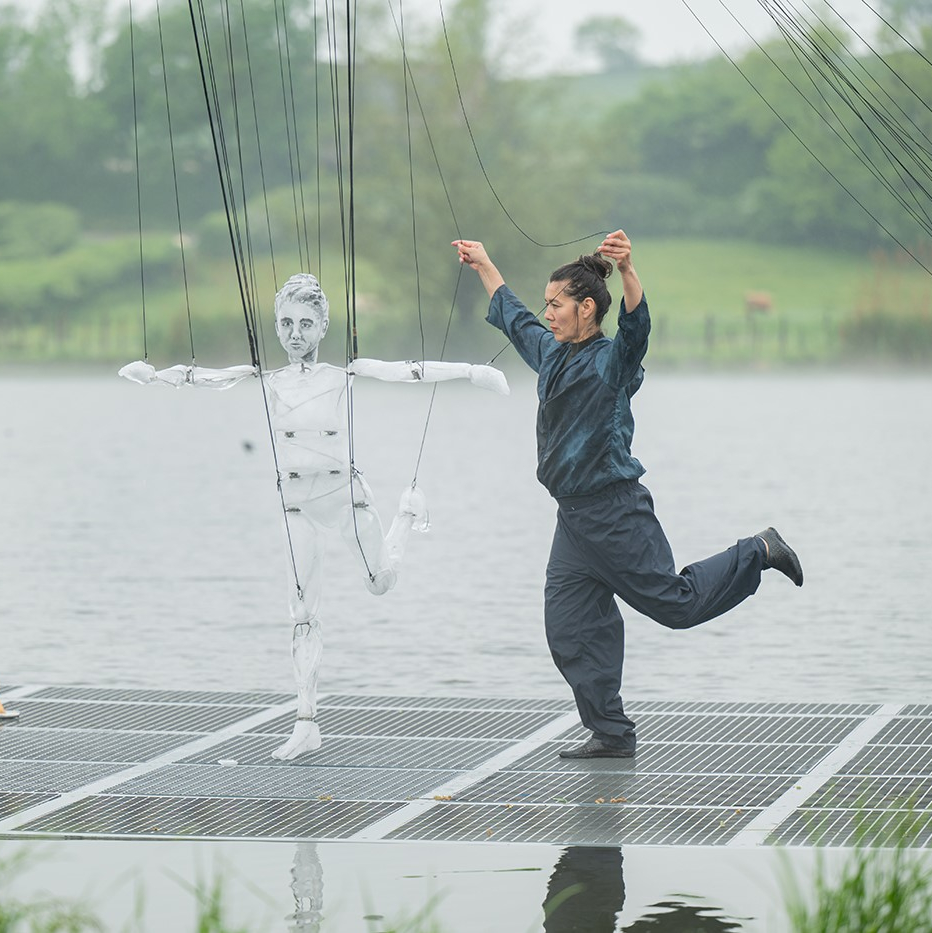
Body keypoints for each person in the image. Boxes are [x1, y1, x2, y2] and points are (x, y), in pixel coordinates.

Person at [120, 272, 509, 760]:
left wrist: (474, 372)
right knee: (302, 613)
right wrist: (153, 375)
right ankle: (307, 722)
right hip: (296, 504)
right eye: (286, 323)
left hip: (344, 497)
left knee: (379, 583)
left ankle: (407, 513)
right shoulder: (266, 380)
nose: (294, 333)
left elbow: (411, 370)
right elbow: (201, 377)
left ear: (323, 327)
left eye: (305, 323)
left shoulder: (343, 375)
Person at [451, 230, 802, 760]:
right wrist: (484, 263)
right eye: (547, 303)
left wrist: (631, 271)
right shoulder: (552, 355)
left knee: (676, 606)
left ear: (586, 308)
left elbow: (636, 331)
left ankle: (759, 549)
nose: (548, 313)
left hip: (616, 514)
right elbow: (516, 317)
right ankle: (612, 734)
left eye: (557, 305)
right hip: (572, 522)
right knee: (570, 628)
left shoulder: (610, 362)